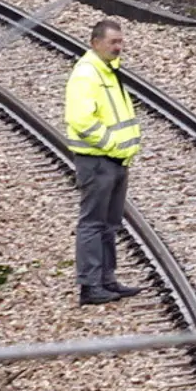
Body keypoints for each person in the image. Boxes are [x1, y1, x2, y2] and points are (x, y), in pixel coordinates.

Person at [64, 19, 144, 306]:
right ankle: (90, 285)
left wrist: (122, 150)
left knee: (110, 222)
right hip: (98, 159)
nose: (118, 47)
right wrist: (112, 144)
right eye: (113, 42)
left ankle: (107, 280)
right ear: (95, 43)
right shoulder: (87, 74)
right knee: (94, 222)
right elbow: (81, 120)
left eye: (120, 41)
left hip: (115, 160)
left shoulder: (107, 70)